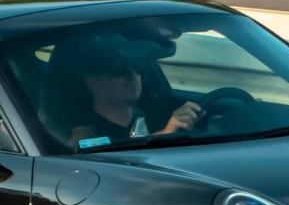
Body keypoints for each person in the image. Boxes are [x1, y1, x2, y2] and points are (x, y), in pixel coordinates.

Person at [56, 38, 201, 148]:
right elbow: (110, 165)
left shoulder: (159, 114)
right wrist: (165, 134)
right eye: (120, 69)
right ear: (91, 81)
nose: (133, 75)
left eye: (137, 67)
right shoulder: (85, 134)